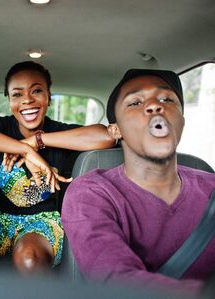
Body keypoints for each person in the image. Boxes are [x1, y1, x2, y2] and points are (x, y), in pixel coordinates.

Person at [0, 61, 114, 274]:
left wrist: (37, 141)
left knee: (29, 258)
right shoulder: (0, 128)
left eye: (36, 91)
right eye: (17, 94)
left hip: (42, 222)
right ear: (9, 101)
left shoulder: (60, 133)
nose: (27, 99)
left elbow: (105, 137)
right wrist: (24, 150)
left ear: (48, 96)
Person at [62, 69, 215, 293]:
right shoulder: (91, 192)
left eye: (166, 99)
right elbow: (117, 282)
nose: (155, 106)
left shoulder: (211, 187)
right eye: (135, 103)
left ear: (181, 121)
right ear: (116, 130)